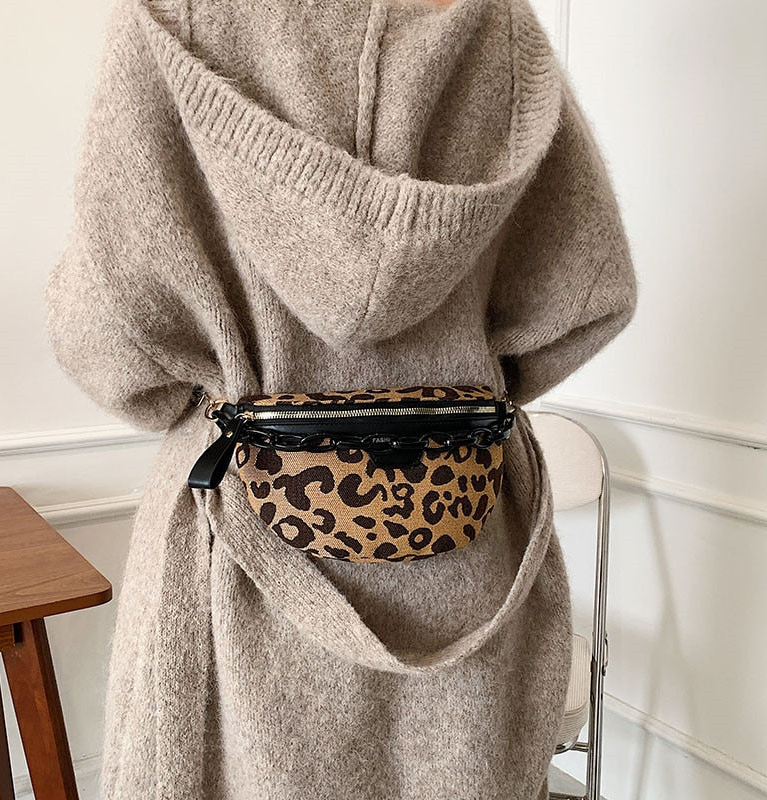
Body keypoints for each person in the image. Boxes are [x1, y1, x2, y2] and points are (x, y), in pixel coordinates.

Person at [44, 0, 638, 797]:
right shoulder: (499, 32)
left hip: (237, 554)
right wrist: (444, 397)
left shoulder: (173, 19)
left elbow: (107, 341)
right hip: (464, 559)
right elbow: (582, 295)